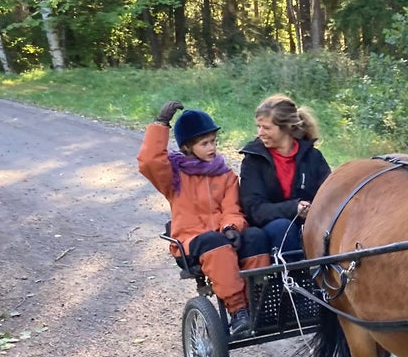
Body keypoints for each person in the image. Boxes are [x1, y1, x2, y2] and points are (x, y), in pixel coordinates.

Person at [138, 101, 271, 339]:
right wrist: (160, 125)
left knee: (255, 236)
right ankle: (238, 310)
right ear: (188, 147)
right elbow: (149, 162)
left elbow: (232, 209)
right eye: (204, 143)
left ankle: (258, 303)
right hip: (191, 242)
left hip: (222, 237)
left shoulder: (226, 175)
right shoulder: (174, 176)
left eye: (214, 142)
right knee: (214, 242)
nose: (212, 148)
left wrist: (231, 227)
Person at [238, 94, 332, 257]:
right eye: (258, 126)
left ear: (286, 127)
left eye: (266, 128)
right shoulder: (253, 160)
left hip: (309, 223)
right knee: (284, 227)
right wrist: (293, 208)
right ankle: (295, 280)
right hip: (268, 228)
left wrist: (312, 210)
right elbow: (254, 209)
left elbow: (329, 195)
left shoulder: (313, 157)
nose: (260, 133)